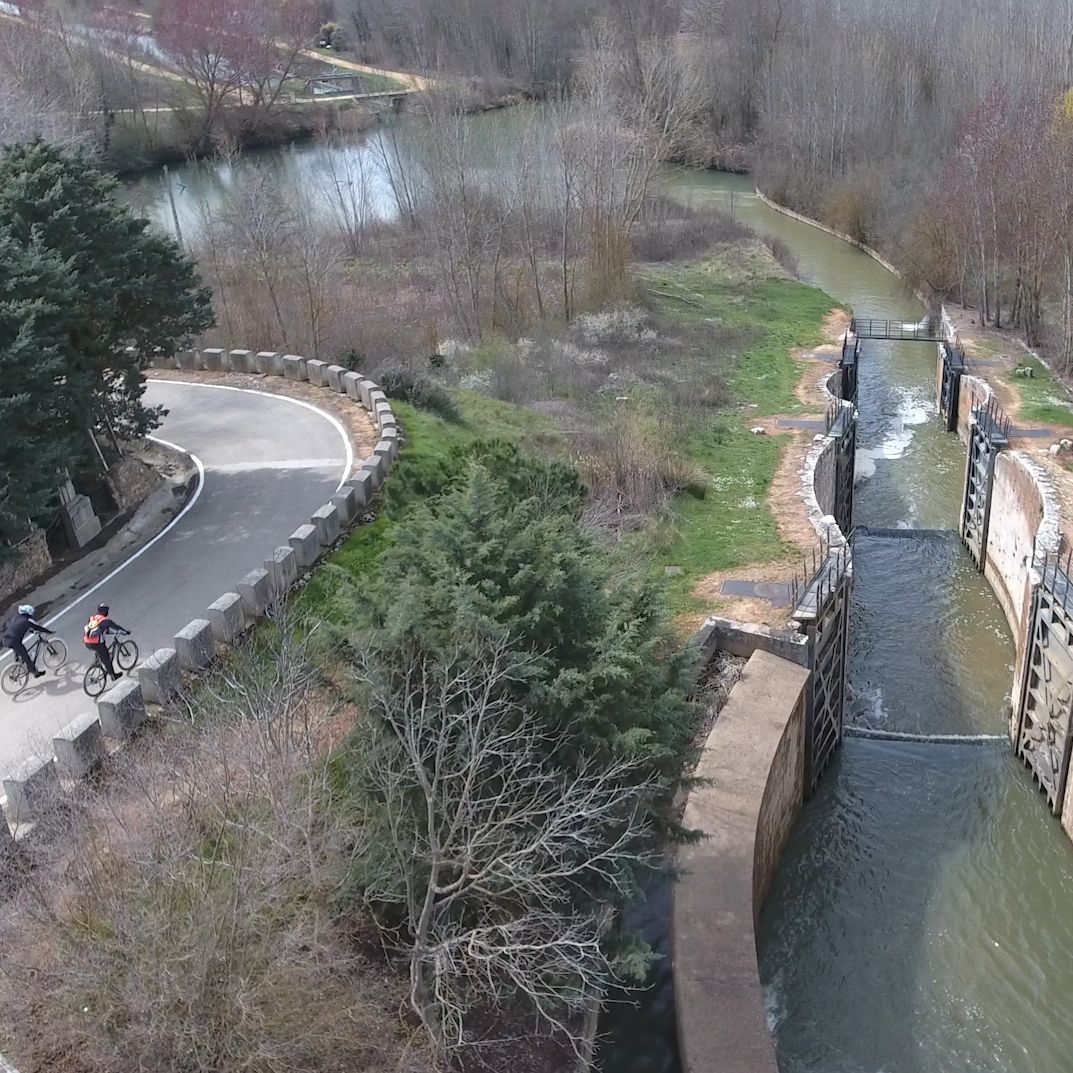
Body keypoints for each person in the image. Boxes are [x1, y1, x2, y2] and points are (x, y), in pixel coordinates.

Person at [1, 605, 54, 678]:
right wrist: (49, 632)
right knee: (26, 656)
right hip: (14, 641)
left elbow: (21, 627)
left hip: (5, 639)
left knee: (18, 650)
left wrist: (32, 631)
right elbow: (38, 627)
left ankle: (17, 661)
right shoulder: (27, 620)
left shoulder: (17, 617)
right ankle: (34, 672)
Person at [83, 604, 129, 682]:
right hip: (97, 643)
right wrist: (125, 632)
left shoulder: (92, 618)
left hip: (87, 642)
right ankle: (113, 676)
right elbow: (116, 627)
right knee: (106, 658)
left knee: (99, 655)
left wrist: (110, 632)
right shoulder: (105, 620)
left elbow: (101, 630)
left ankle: (93, 670)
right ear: (105, 611)